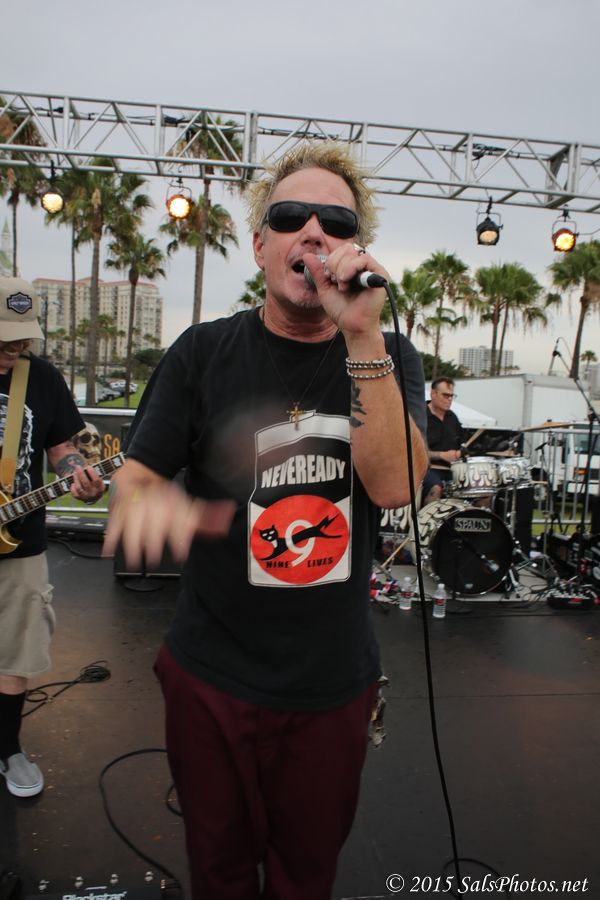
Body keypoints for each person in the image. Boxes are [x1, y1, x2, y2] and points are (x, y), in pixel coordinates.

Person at [104, 141, 428, 900]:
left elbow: (395, 488)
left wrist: (362, 336)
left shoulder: (388, 353)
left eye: (335, 223)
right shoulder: (203, 353)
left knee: (305, 876)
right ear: (260, 245)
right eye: (291, 216)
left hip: (331, 681)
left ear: (353, 250)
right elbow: (136, 479)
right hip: (212, 674)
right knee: (219, 871)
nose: (313, 231)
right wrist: (152, 505)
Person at [0, 277, 105, 798]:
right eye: (4, 338)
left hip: (21, 542)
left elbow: (64, 448)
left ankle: (7, 748)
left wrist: (78, 474)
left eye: (22, 337)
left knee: (17, 651)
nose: (14, 347)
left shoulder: (40, 378)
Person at [422, 377, 464, 505]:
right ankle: (426, 518)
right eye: (446, 395)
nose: (449, 399)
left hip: (451, 470)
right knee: (436, 487)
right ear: (433, 394)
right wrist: (441, 455)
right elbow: (414, 451)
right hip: (425, 469)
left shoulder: (452, 418)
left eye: (452, 396)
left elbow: (462, 445)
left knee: (477, 488)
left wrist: (460, 453)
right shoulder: (420, 416)